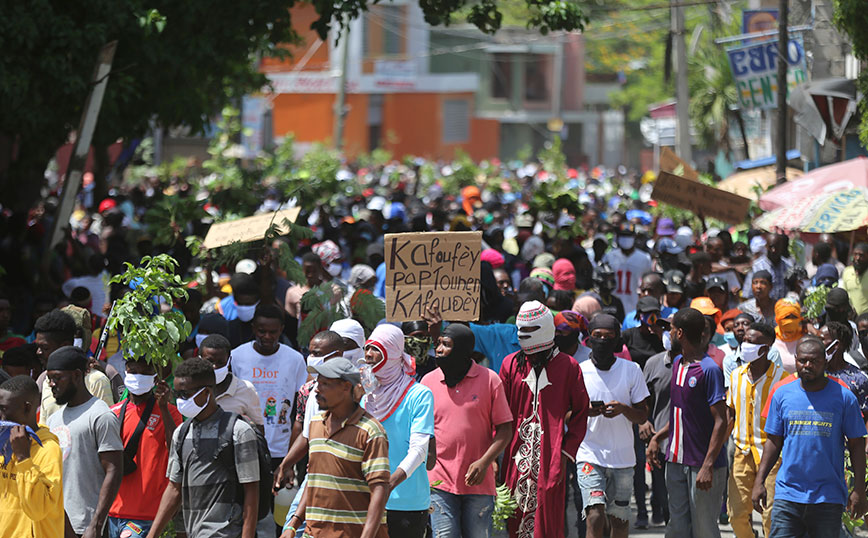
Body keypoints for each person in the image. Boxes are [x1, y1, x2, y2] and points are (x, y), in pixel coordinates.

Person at [752, 336, 868, 538]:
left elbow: (857, 445)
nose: (807, 365)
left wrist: (859, 489)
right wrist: (759, 481)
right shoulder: (782, 393)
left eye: (814, 361)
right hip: (787, 495)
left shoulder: (844, 397)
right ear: (795, 360)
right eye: (803, 360)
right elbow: (773, 441)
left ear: (825, 361)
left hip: (828, 498)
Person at [499, 300, 589, 538]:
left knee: (548, 518)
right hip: (515, 455)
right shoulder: (510, 364)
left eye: (531, 330)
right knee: (513, 513)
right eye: (522, 331)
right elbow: (499, 412)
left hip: (551, 456)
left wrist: (567, 451)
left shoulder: (569, 366)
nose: (524, 335)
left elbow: (581, 411)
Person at [148, 357, 261, 538]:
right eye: (177, 394)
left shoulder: (238, 432)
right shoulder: (182, 433)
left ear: (207, 392)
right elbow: (174, 488)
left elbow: (252, 491)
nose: (180, 400)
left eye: (185, 394)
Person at [281, 357, 390, 538]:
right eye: (318, 383)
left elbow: (380, 490)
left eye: (325, 384)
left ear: (346, 387)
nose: (317, 389)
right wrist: (293, 524)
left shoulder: (370, 431)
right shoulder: (316, 424)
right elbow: (314, 480)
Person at [422, 324, 514, 538]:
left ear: (463, 350)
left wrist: (485, 462)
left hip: (478, 482)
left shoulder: (490, 379)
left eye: (447, 345)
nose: (439, 349)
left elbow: (505, 430)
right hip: (439, 480)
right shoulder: (428, 381)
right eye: (439, 344)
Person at [647, 308, 728, 538]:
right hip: (675, 461)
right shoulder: (677, 364)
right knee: (677, 529)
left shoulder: (709, 370)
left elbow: (721, 421)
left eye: (670, 329)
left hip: (702, 464)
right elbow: (680, 414)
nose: (668, 333)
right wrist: (657, 438)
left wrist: (708, 465)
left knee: (704, 530)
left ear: (680, 333)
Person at [577, 314, 650, 538]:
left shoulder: (632, 370)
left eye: (608, 337)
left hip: (623, 458)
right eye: (597, 336)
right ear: (589, 339)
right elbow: (566, 414)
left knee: (619, 520)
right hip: (589, 454)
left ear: (617, 340)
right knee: (595, 515)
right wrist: (586, 412)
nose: (602, 341)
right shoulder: (579, 370)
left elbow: (642, 415)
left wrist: (623, 410)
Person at [363, 323, 435, 538]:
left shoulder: (419, 395)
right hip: (366, 499)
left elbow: (420, 449)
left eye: (377, 349)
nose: (368, 354)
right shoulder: (364, 395)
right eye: (367, 347)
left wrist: (389, 485)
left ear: (393, 353)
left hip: (406, 503)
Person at [45, 345, 124, 538]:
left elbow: (114, 470)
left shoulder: (100, 415)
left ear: (76, 375)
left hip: (87, 528)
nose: (51, 384)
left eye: (57, 378)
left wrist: (96, 524)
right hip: (56, 525)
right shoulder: (54, 420)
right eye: (49, 379)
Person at [725, 322, 787, 538]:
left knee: (771, 516)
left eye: (752, 341)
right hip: (742, 453)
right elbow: (730, 415)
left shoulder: (783, 380)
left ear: (766, 347)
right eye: (745, 340)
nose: (745, 344)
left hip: (772, 457)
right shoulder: (736, 376)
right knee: (736, 514)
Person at [108, 359, 181, 538]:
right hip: (114, 512)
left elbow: (176, 451)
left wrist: (163, 408)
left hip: (149, 514)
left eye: (145, 372)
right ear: (125, 371)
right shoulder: (113, 412)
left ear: (155, 377)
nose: (138, 376)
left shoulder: (170, 412)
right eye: (133, 371)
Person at [231, 305, 307, 466]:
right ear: (253, 329)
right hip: (244, 444)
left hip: (281, 447)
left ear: (281, 330)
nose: (267, 336)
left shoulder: (295, 359)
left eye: (273, 332)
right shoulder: (237, 356)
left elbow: (300, 404)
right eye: (261, 331)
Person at [0, 375, 64, 537]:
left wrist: (23, 459)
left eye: (4, 409)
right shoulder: (3, 443)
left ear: (27, 408)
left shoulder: (48, 449)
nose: (0, 416)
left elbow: (38, 511)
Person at [35, 309, 114, 420]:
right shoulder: (47, 382)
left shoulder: (96, 381)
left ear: (65, 345)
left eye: (45, 347)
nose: (38, 352)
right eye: (37, 347)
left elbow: (106, 425)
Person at [640, 315, 676, 527]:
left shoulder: (700, 366)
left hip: (688, 445)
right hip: (659, 444)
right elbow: (642, 400)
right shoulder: (653, 364)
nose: (667, 333)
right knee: (664, 499)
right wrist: (644, 422)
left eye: (671, 328)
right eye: (665, 329)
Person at [198, 334, 264, 428]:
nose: (215, 367)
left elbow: (259, 428)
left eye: (220, 362)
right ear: (200, 360)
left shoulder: (246, 389)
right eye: (209, 362)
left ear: (229, 361)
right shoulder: (191, 388)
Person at [820, 322, 868, 423]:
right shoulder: (814, 375)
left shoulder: (858, 378)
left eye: (822, 339)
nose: (817, 343)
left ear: (837, 345)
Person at [722, 312, 783, 388]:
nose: (740, 328)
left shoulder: (771, 352)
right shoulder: (730, 362)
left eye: (745, 324)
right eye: (736, 325)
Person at [603, 226, 653, 314]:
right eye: (623, 236)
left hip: (635, 304)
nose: (626, 239)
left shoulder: (644, 258)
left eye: (628, 236)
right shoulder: (609, 257)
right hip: (614, 304)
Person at [744, 234, 794, 302]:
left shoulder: (789, 265)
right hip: (762, 309)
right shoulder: (757, 266)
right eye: (771, 247)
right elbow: (747, 293)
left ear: (781, 247)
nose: (773, 250)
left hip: (783, 308)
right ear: (766, 247)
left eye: (777, 247)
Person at [621, 296, 665, 369]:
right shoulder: (628, 335)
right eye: (648, 313)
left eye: (655, 313)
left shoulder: (662, 336)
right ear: (640, 315)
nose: (652, 316)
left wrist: (661, 337)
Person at [771, 299, 805, 373]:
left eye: (794, 317)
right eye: (786, 317)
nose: (790, 321)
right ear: (777, 319)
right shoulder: (770, 338)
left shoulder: (805, 338)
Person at [841, 242, 868, 315]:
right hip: (851, 316)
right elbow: (844, 294)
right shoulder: (847, 271)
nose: (858, 258)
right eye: (855, 254)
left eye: (861, 255)